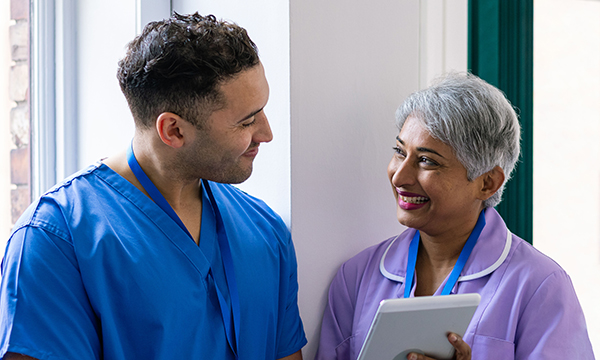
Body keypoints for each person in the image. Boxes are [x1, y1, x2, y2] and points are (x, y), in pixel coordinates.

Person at [0, 13, 306, 360]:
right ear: (173, 130)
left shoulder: (265, 229)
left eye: (262, 111)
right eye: (247, 121)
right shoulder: (55, 239)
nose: (266, 134)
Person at [315, 73, 594, 360]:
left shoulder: (540, 285)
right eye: (400, 152)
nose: (400, 176)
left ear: (487, 183)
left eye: (426, 161)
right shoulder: (357, 277)